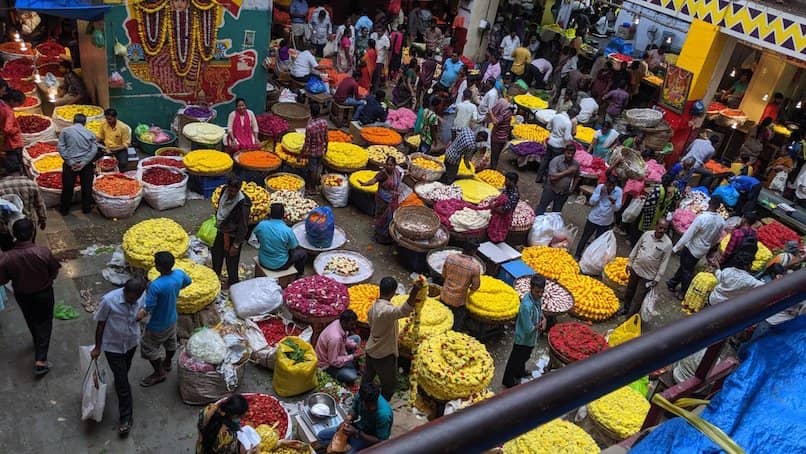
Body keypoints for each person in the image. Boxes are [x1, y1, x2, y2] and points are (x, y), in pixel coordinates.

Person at [0, 219, 60, 376]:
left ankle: (37, 340)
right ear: (32, 232)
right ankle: (41, 360)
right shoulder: (43, 251)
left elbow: (3, 279)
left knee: (31, 318)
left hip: (23, 295)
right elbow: (54, 270)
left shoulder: (7, 257)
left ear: (14, 235)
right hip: (44, 293)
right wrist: (47, 279)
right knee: (45, 322)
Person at [90, 278, 148, 435]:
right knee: (122, 381)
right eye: (130, 299)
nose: (133, 302)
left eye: (135, 299)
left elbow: (145, 306)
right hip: (113, 346)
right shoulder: (109, 301)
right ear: (125, 292)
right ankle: (126, 418)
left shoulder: (141, 296)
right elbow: (100, 325)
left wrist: (143, 312)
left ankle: (120, 381)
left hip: (131, 342)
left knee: (123, 371)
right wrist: (97, 347)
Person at [364, 277, 423, 400]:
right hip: (383, 355)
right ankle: (381, 403)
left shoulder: (373, 307)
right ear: (393, 292)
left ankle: (362, 396)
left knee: (368, 377)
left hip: (371, 349)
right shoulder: (386, 312)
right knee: (389, 384)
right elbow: (404, 310)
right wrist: (415, 290)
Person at [139, 251, 191, 387]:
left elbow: (149, 307)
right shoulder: (179, 274)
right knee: (170, 342)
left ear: (158, 268)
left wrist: (138, 316)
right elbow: (188, 281)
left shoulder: (156, 286)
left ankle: (159, 373)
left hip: (157, 324)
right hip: (172, 318)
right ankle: (167, 363)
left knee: (148, 347)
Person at [668, 196, 726, 299]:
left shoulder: (702, 218)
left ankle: (683, 292)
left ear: (709, 203)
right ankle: (672, 283)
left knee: (687, 270)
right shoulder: (721, 221)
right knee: (685, 266)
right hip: (702, 249)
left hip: (692, 247)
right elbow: (716, 238)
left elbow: (688, 234)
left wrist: (676, 248)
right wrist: (709, 246)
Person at [317, 382, 393, 453]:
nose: (371, 409)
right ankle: (341, 447)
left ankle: (346, 448)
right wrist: (347, 420)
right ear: (362, 401)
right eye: (368, 406)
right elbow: (354, 411)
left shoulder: (383, 415)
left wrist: (357, 433)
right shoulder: (360, 396)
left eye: (373, 406)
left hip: (369, 438)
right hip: (358, 428)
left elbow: (380, 441)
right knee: (321, 436)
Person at [502, 275, 546, 388]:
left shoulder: (537, 299)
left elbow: (540, 311)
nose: (540, 294)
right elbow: (528, 329)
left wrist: (543, 318)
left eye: (542, 292)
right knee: (516, 359)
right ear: (531, 288)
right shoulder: (526, 306)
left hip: (531, 338)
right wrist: (539, 326)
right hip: (523, 338)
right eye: (537, 292)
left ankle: (519, 372)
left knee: (525, 357)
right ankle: (508, 381)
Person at [623, 219, 672, 316]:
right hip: (636, 269)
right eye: (660, 227)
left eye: (664, 229)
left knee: (638, 298)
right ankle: (625, 308)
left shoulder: (667, 244)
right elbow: (636, 248)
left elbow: (664, 262)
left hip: (648, 276)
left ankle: (630, 317)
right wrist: (629, 262)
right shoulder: (646, 235)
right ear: (655, 226)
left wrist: (657, 278)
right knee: (629, 290)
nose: (661, 230)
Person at [211, 175, 251, 288]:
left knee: (232, 261)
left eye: (235, 190)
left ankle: (233, 283)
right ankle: (215, 277)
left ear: (239, 189)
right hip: (222, 230)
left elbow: (243, 226)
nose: (232, 192)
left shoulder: (243, 203)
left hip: (233, 235)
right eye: (230, 189)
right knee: (216, 255)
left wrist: (236, 245)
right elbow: (221, 207)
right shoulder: (224, 190)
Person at [58, 113, 98, 215]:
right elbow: (94, 150)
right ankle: (86, 208)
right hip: (86, 165)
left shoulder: (65, 131)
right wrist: (84, 162)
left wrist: (70, 162)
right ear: (85, 123)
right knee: (86, 187)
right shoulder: (90, 133)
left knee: (67, 187)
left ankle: (64, 210)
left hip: (70, 164)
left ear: (73, 121)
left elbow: (61, 148)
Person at [575, 176, 623, 259]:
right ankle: (577, 254)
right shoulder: (600, 188)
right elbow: (592, 202)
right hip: (594, 218)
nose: (610, 188)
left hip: (606, 221)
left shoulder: (618, 192)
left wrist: (613, 203)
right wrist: (600, 194)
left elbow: (617, 208)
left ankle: (590, 258)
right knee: (585, 237)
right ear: (605, 184)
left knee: (598, 241)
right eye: (608, 185)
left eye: (612, 186)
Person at [253, 204, 307, 277]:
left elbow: (256, 236)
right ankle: (299, 275)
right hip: (280, 265)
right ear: (283, 215)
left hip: (263, 260)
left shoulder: (261, 225)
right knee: (302, 253)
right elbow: (293, 246)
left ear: (270, 214)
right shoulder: (287, 230)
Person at [0, 167, 47, 251]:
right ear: (21, 170)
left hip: (5, 227)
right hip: (27, 224)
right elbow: (39, 204)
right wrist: (42, 219)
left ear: (5, 171)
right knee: (27, 248)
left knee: (8, 250)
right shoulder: (31, 184)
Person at [440, 241, 482, 331]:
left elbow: (443, 275)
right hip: (458, 301)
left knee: (441, 319)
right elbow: (475, 286)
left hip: (444, 295)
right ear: (474, 251)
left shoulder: (450, 258)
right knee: (455, 324)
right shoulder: (475, 267)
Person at [360, 156, 401, 244]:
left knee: (390, 218)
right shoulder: (383, 174)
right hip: (383, 199)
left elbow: (403, 175)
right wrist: (364, 184)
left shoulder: (397, 172)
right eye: (387, 164)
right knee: (382, 217)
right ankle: (379, 236)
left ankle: (387, 235)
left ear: (395, 165)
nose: (389, 166)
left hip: (393, 199)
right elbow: (373, 181)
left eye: (391, 165)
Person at [315, 310, 362, 384]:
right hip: (327, 365)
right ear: (343, 322)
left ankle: (350, 362)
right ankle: (339, 370)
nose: (354, 327)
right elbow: (333, 362)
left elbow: (344, 339)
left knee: (356, 339)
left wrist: (354, 345)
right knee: (353, 376)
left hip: (336, 350)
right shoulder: (335, 339)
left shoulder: (338, 322)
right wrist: (352, 357)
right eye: (352, 324)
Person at [633, 173, 679, 244]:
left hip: (650, 215)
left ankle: (637, 243)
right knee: (654, 231)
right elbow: (677, 198)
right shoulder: (674, 191)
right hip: (662, 215)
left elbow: (648, 204)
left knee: (643, 230)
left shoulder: (658, 190)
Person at [535, 144, 579, 215]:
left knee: (556, 212)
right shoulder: (556, 161)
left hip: (563, 192)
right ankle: (536, 222)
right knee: (542, 207)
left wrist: (572, 189)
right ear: (564, 152)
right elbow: (552, 178)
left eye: (572, 154)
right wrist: (568, 171)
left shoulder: (576, 164)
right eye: (568, 153)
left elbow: (577, 177)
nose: (570, 155)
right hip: (551, 189)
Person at [537, 107, 575, 182]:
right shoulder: (568, 123)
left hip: (550, 142)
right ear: (573, 115)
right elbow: (567, 138)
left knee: (545, 160)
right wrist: (570, 140)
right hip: (559, 146)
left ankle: (538, 178)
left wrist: (555, 132)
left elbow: (548, 127)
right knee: (553, 164)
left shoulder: (556, 116)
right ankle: (547, 182)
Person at [488, 172, 520, 243]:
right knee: (493, 230)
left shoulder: (514, 195)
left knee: (498, 232)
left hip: (503, 218)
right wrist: (495, 199)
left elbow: (504, 210)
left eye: (506, 180)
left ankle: (495, 243)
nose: (505, 182)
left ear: (512, 181)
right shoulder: (508, 188)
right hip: (497, 214)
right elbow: (502, 195)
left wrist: (492, 207)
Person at [303, 103, 328, 194]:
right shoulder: (324, 122)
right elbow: (326, 137)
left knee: (312, 169)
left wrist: (300, 154)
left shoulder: (309, 127)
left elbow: (307, 143)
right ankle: (314, 185)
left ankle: (312, 189)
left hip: (313, 152)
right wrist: (326, 149)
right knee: (318, 167)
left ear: (310, 112)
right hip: (321, 149)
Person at [0, 88, 23, 174]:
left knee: (6, 158)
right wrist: (16, 129)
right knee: (13, 160)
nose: (19, 105)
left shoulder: (2, 106)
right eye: (19, 103)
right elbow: (8, 129)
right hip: (12, 142)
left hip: (4, 141)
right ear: (12, 101)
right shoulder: (9, 111)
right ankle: (14, 174)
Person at [488, 99, 513, 169]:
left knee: (494, 155)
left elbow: (495, 122)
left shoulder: (503, 114)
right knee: (497, 155)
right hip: (504, 137)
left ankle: (493, 169)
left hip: (497, 137)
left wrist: (491, 113)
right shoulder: (509, 111)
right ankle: (494, 166)